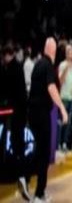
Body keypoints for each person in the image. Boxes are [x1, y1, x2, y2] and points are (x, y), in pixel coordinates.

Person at [28, 37, 68, 203]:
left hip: (32, 113)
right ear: (52, 50)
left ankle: (26, 178)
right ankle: (39, 194)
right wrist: (62, 109)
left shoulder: (38, 64)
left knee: (37, 151)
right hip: (42, 114)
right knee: (44, 153)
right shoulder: (48, 66)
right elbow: (51, 88)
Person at [1, 42, 31, 200]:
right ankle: (22, 176)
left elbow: (8, 88)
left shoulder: (13, 68)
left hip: (17, 112)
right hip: (19, 111)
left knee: (17, 144)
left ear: (8, 55)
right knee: (17, 144)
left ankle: (22, 176)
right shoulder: (15, 66)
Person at [57, 43, 72, 152]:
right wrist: (66, 69)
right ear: (65, 54)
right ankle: (58, 144)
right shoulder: (62, 65)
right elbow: (60, 81)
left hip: (71, 98)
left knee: (68, 123)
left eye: (71, 52)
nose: (70, 54)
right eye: (68, 52)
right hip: (63, 97)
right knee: (61, 121)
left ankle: (64, 143)